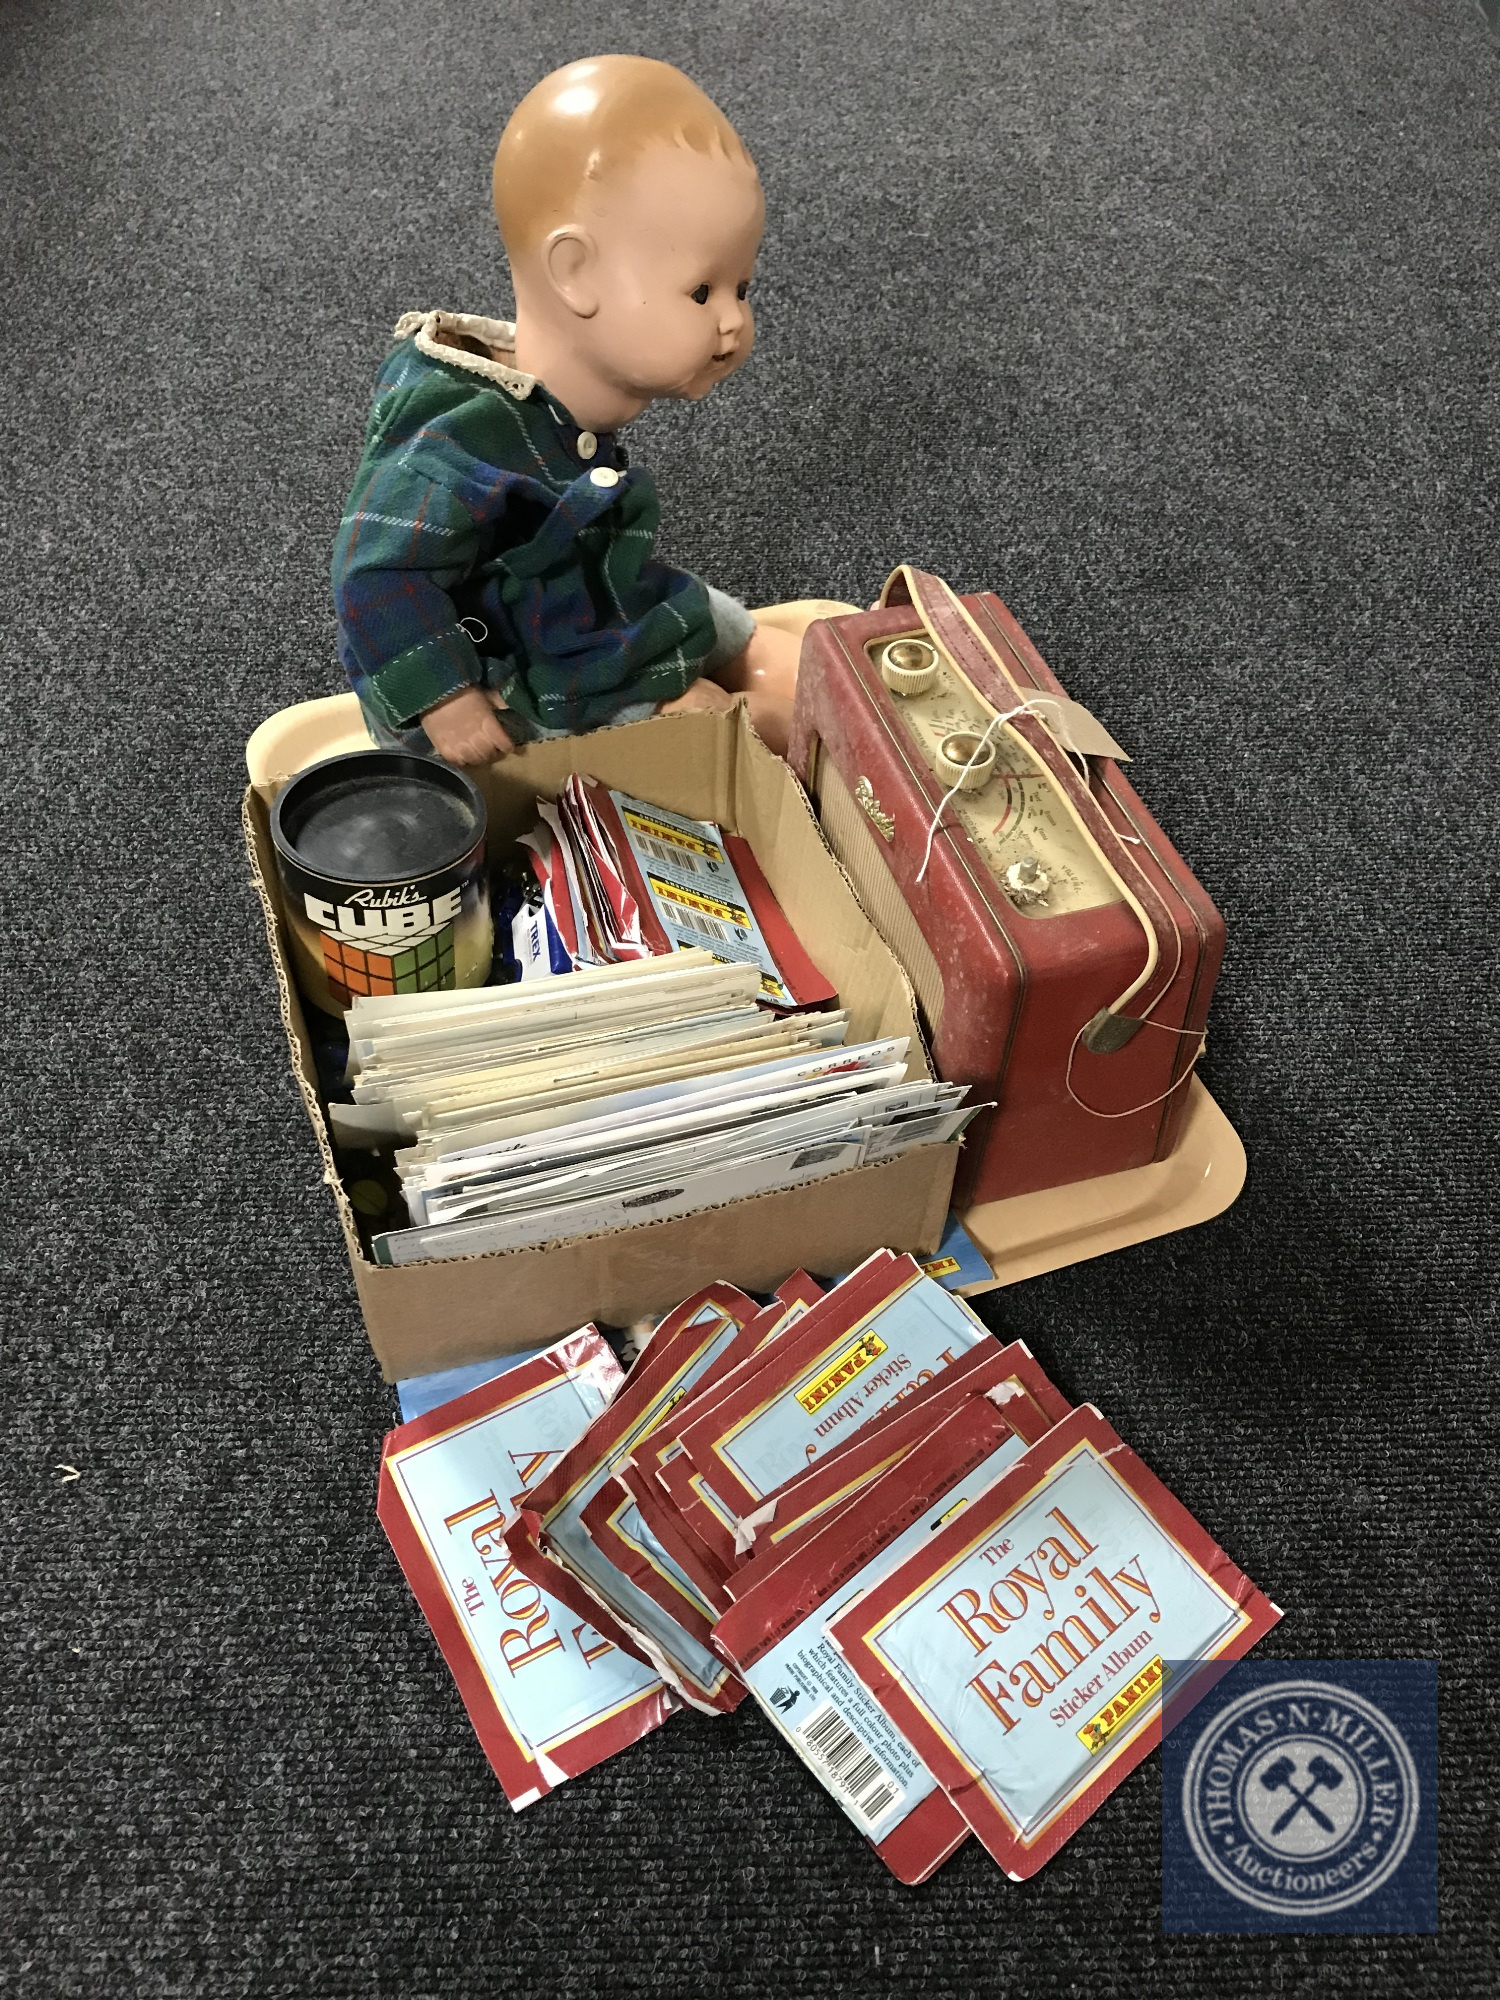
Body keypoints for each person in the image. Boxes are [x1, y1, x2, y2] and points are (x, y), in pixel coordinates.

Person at [331, 55, 802, 764]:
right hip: (506, 676)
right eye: (703, 292)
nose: (733, 321)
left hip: (574, 598)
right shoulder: (452, 451)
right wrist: (445, 699)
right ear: (575, 273)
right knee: (728, 725)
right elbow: (374, 575)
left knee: (752, 639)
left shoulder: (556, 407)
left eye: (744, 286)